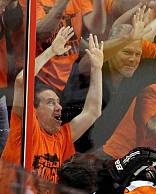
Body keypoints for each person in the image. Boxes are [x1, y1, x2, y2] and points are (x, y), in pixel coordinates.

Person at [0, 29, 103, 183]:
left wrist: (97, 69)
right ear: (33, 110)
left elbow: (92, 111)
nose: (58, 107)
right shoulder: (26, 129)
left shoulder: (62, 138)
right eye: (50, 102)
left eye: (58, 102)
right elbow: (22, 81)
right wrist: (51, 51)